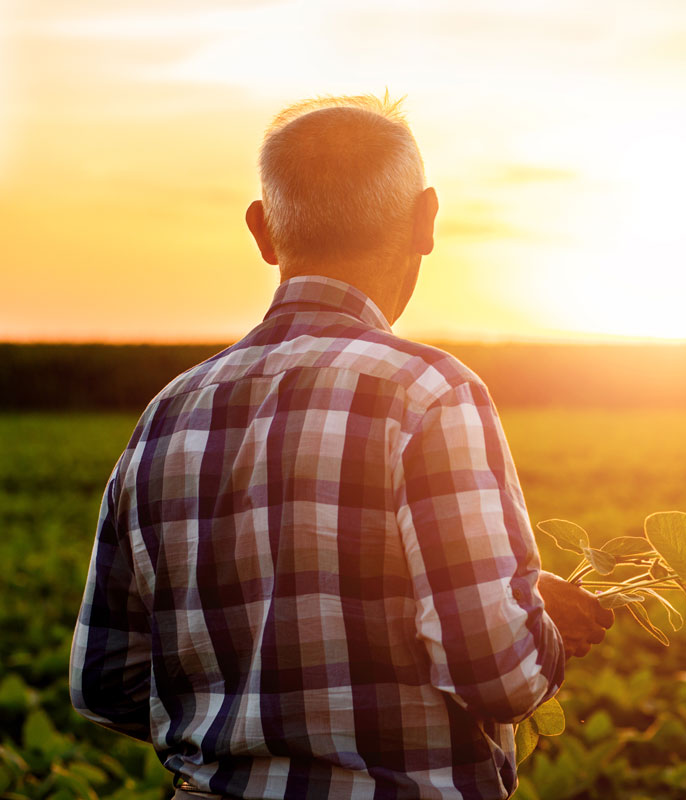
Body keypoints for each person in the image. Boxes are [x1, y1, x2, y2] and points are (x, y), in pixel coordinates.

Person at [69, 94, 613, 800]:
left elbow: (105, 680)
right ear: (427, 220)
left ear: (262, 231)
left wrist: (246, 721)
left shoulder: (168, 412)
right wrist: (536, 627)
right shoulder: (430, 393)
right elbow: (495, 670)